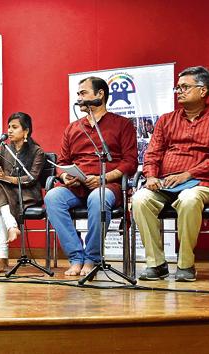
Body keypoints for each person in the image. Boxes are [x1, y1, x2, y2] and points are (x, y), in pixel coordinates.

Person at [133, 66, 209, 282]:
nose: (179, 91)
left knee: (189, 200)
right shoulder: (166, 120)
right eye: (177, 88)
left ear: (203, 90)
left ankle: (186, 264)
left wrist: (189, 174)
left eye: (185, 87)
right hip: (165, 183)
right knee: (140, 198)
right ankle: (156, 264)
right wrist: (151, 176)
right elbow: (152, 153)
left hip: (199, 183)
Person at [44, 77, 138, 276]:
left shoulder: (122, 124)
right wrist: (64, 176)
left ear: (100, 94)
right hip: (77, 185)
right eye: (78, 94)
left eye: (83, 93)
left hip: (108, 184)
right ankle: (76, 257)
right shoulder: (73, 128)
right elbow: (62, 162)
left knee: (98, 198)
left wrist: (104, 178)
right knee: (52, 197)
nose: (79, 98)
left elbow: (130, 162)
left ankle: (92, 258)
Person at [0, 112, 45, 272]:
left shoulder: (37, 151)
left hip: (27, 195)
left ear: (26, 131)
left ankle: (2, 257)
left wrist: (6, 178)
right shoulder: (3, 149)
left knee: (0, 195)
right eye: (9, 127)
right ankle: (12, 227)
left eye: (14, 127)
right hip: (6, 194)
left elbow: (31, 178)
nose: (9, 131)